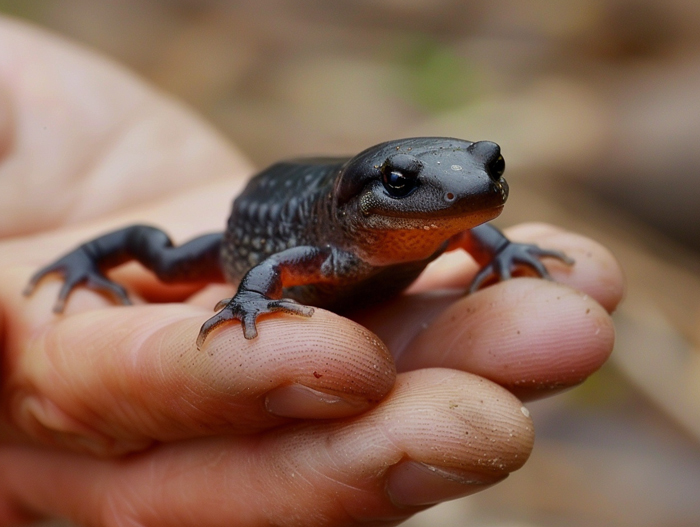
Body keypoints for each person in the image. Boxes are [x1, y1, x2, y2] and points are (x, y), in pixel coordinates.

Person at [0, 16, 623, 527]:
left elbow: (469, 228)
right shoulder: (326, 251)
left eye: (491, 170)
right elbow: (273, 267)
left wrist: (504, 254)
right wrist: (248, 298)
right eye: (404, 186)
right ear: (364, 197)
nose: (470, 193)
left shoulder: (446, 223)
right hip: (244, 233)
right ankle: (86, 255)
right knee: (167, 263)